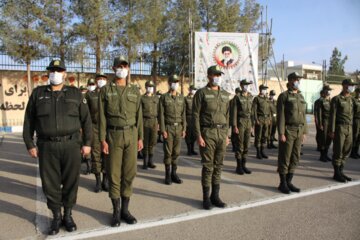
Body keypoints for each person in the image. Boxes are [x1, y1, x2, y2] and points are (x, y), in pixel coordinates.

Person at [23, 59, 92, 235]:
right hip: (47, 146)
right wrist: (30, 143)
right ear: (48, 73)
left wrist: (87, 143)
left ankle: (68, 216)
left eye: (59, 70)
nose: (55, 73)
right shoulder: (38, 94)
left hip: (71, 145)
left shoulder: (75, 94)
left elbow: (86, 120)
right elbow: (29, 121)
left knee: (71, 182)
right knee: (50, 184)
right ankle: (56, 217)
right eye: (52, 70)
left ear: (64, 73)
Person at [98, 56, 143, 227]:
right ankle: (116, 212)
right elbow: (102, 117)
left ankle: (125, 210)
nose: (121, 69)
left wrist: (140, 137)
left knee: (130, 173)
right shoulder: (106, 90)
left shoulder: (134, 90)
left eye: (124, 66)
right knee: (114, 174)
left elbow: (139, 116)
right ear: (113, 68)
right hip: (113, 135)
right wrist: (102, 139)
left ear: (128, 69)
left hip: (131, 134)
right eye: (118, 66)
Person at [193, 65, 230, 210]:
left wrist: (227, 135)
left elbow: (227, 116)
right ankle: (206, 198)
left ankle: (216, 196)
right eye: (214, 75)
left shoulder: (225, 94)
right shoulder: (201, 93)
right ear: (208, 76)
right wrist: (198, 135)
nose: (217, 77)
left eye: (219, 75)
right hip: (208, 133)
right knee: (208, 167)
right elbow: (195, 115)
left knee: (219, 166)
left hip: (222, 134)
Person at [277, 72, 308, 194]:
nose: (297, 82)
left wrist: (304, 131)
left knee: (295, 157)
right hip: (288, 130)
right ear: (289, 81)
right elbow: (281, 116)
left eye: (298, 80)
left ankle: (289, 181)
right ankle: (282, 183)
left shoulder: (300, 96)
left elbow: (304, 116)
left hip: (299, 130)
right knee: (285, 157)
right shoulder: (284, 96)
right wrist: (281, 132)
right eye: (295, 79)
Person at [158, 74, 186, 185]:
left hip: (178, 127)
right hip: (168, 128)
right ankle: (167, 175)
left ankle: (174, 174)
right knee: (168, 152)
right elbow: (161, 115)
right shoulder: (164, 97)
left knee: (176, 152)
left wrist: (184, 128)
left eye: (177, 82)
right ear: (169, 83)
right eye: (173, 82)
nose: (175, 84)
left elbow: (183, 114)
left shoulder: (181, 97)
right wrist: (163, 130)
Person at [329, 79, 357, 182]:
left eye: (353, 85)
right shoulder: (337, 99)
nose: (352, 87)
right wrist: (332, 130)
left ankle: (341, 171)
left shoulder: (352, 99)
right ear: (344, 85)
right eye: (350, 85)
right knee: (338, 151)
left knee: (346, 150)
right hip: (340, 127)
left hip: (349, 127)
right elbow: (333, 116)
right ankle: (336, 173)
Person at [85, 73, 109, 192]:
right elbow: (86, 114)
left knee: (107, 155)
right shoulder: (90, 95)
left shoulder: (111, 93)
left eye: (103, 79)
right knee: (96, 155)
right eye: (99, 79)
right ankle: (98, 182)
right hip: (95, 127)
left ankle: (105, 181)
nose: (101, 81)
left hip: (108, 128)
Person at [233, 79, 253, 175]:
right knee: (240, 144)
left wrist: (252, 124)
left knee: (247, 144)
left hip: (248, 122)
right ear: (241, 85)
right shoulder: (237, 97)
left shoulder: (250, 96)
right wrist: (234, 125)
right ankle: (238, 166)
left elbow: (252, 112)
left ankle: (244, 165)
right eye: (244, 85)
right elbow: (234, 112)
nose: (246, 86)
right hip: (240, 121)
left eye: (247, 85)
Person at [141, 80, 158, 169]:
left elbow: (158, 111)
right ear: (146, 87)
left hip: (154, 122)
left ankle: (150, 161)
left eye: (152, 87)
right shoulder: (142, 98)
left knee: (153, 142)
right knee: (145, 142)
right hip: (145, 121)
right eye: (149, 86)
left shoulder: (156, 98)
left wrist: (158, 122)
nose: (150, 88)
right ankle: (145, 162)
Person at [253, 84, 271, 159]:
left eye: (265, 89)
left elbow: (269, 109)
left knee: (265, 136)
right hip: (260, 118)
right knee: (258, 136)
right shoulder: (256, 99)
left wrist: (269, 118)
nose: (264, 90)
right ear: (260, 89)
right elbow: (254, 110)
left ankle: (262, 151)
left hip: (266, 119)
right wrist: (256, 119)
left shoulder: (267, 98)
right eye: (263, 89)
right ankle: (258, 152)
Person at [315, 85, 333, 162]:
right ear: (324, 91)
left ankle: (326, 154)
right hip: (324, 122)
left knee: (329, 139)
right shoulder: (320, 101)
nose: (329, 92)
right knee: (323, 139)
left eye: (330, 90)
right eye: (328, 90)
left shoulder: (329, 101)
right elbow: (318, 114)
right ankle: (322, 156)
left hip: (329, 122)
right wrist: (320, 124)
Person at [185, 85, 198, 156]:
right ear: (189, 90)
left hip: (195, 118)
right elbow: (184, 111)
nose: (193, 91)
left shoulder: (196, 99)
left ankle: (192, 149)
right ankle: (189, 150)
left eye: (194, 89)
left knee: (194, 135)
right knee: (188, 135)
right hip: (188, 118)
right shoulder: (186, 99)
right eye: (192, 89)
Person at [230, 87, 241, 152]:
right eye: (238, 92)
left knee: (238, 134)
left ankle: (237, 146)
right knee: (234, 133)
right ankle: (234, 146)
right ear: (236, 92)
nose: (238, 93)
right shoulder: (232, 100)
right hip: (233, 119)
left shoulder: (239, 99)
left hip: (239, 119)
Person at [350, 87, 360, 159]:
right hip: (356, 120)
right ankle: (352, 152)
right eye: (358, 92)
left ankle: (356, 152)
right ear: (356, 92)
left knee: (359, 137)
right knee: (355, 136)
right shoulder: (353, 100)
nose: (359, 94)